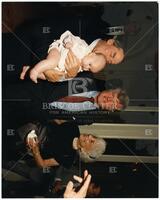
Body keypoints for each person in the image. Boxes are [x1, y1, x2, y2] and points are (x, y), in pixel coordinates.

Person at [20, 31, 124, 83]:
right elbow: (57, 31)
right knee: (51, 63)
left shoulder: (88, 71)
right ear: (111, 42)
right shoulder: (84, 41)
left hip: (47, 68)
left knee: (46, 76)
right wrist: (68, 43)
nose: (108, 59)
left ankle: (30, 70)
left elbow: (60, 85)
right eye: (112, 55)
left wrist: (68, 76)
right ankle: (35, 69)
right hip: (37, 46)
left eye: (110, 62)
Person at [17, 121, 107, 169]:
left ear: (86, 151)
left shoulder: (69, 158)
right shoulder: (73, 127)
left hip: (25, 147)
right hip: (31, 125)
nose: (90, 136)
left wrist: (35, 150)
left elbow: (42, 164)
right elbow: (54, 119)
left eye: (91, 141)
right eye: (93, 136)